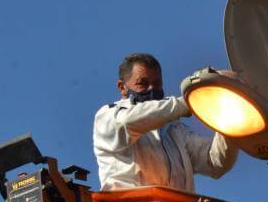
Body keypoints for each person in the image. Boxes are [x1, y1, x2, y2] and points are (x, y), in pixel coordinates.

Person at [93, 53, 237, 191]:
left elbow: (214, 162)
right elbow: (132, 120)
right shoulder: (109, 117)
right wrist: (195, 99)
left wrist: (228, 122)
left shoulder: (175, 130)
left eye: (157, 83)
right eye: (142, 83)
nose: (151, 89)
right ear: (122, 87)